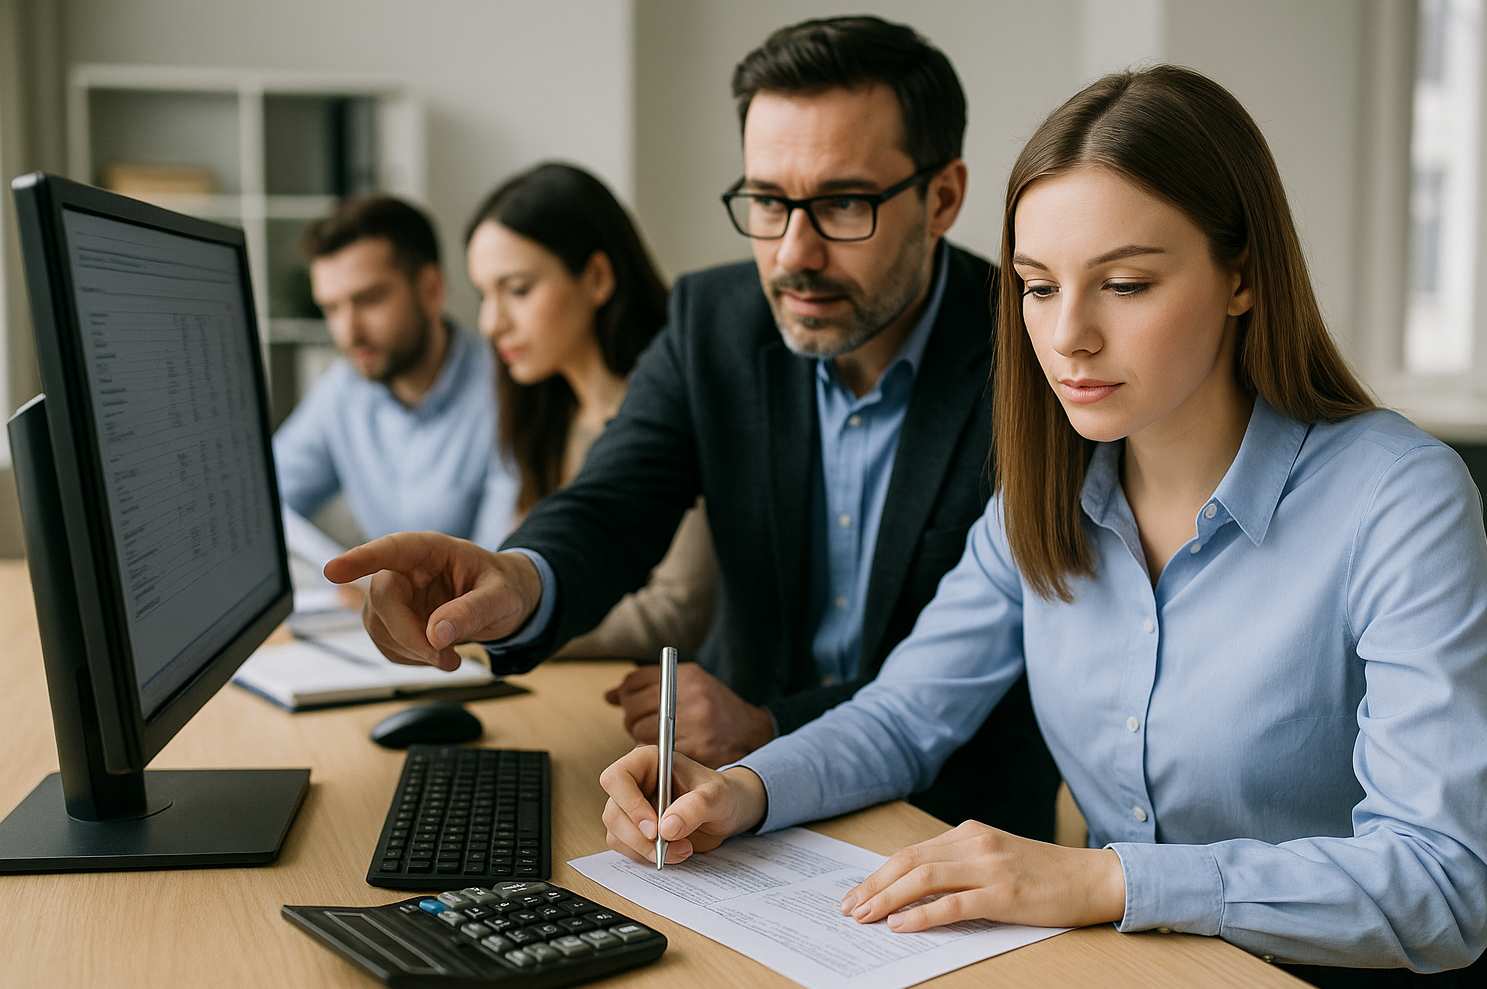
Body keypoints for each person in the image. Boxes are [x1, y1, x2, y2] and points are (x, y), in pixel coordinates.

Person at [597, 66, 1487, 989]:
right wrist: (737, 791)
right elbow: (904, 718)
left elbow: (1445, 888)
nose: (1067, 335)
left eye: (1123, 283)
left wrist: (1108, 881)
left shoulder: (1395, 495)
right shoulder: (1049, 487)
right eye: (1037, 287)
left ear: (1242, 275)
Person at [326, 16, 1061, 840]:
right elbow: (615, 499)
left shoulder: (1038, 357)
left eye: (843, 204)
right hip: (723, 811)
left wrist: (771, 724)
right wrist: (518, 582)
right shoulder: (712, 320)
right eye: (766, 202)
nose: (793, 254)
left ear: (944, 197)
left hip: (955, 829)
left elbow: (1011, 660)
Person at [464, 162, 716, 660]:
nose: (491, 323)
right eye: (482, 295)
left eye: (517, 290)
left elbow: (672, 614)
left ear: (598, 278)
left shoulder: (676, 421)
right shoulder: (549, 415)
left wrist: (483, 631)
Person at [275, 194, 514, 550]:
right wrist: (338, 576)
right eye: (331, 308)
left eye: (370, 300)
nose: (348, 332)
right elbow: (260, 501)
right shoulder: (341, 391)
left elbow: (501, 569)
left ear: (432, 290)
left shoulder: (509, 393)